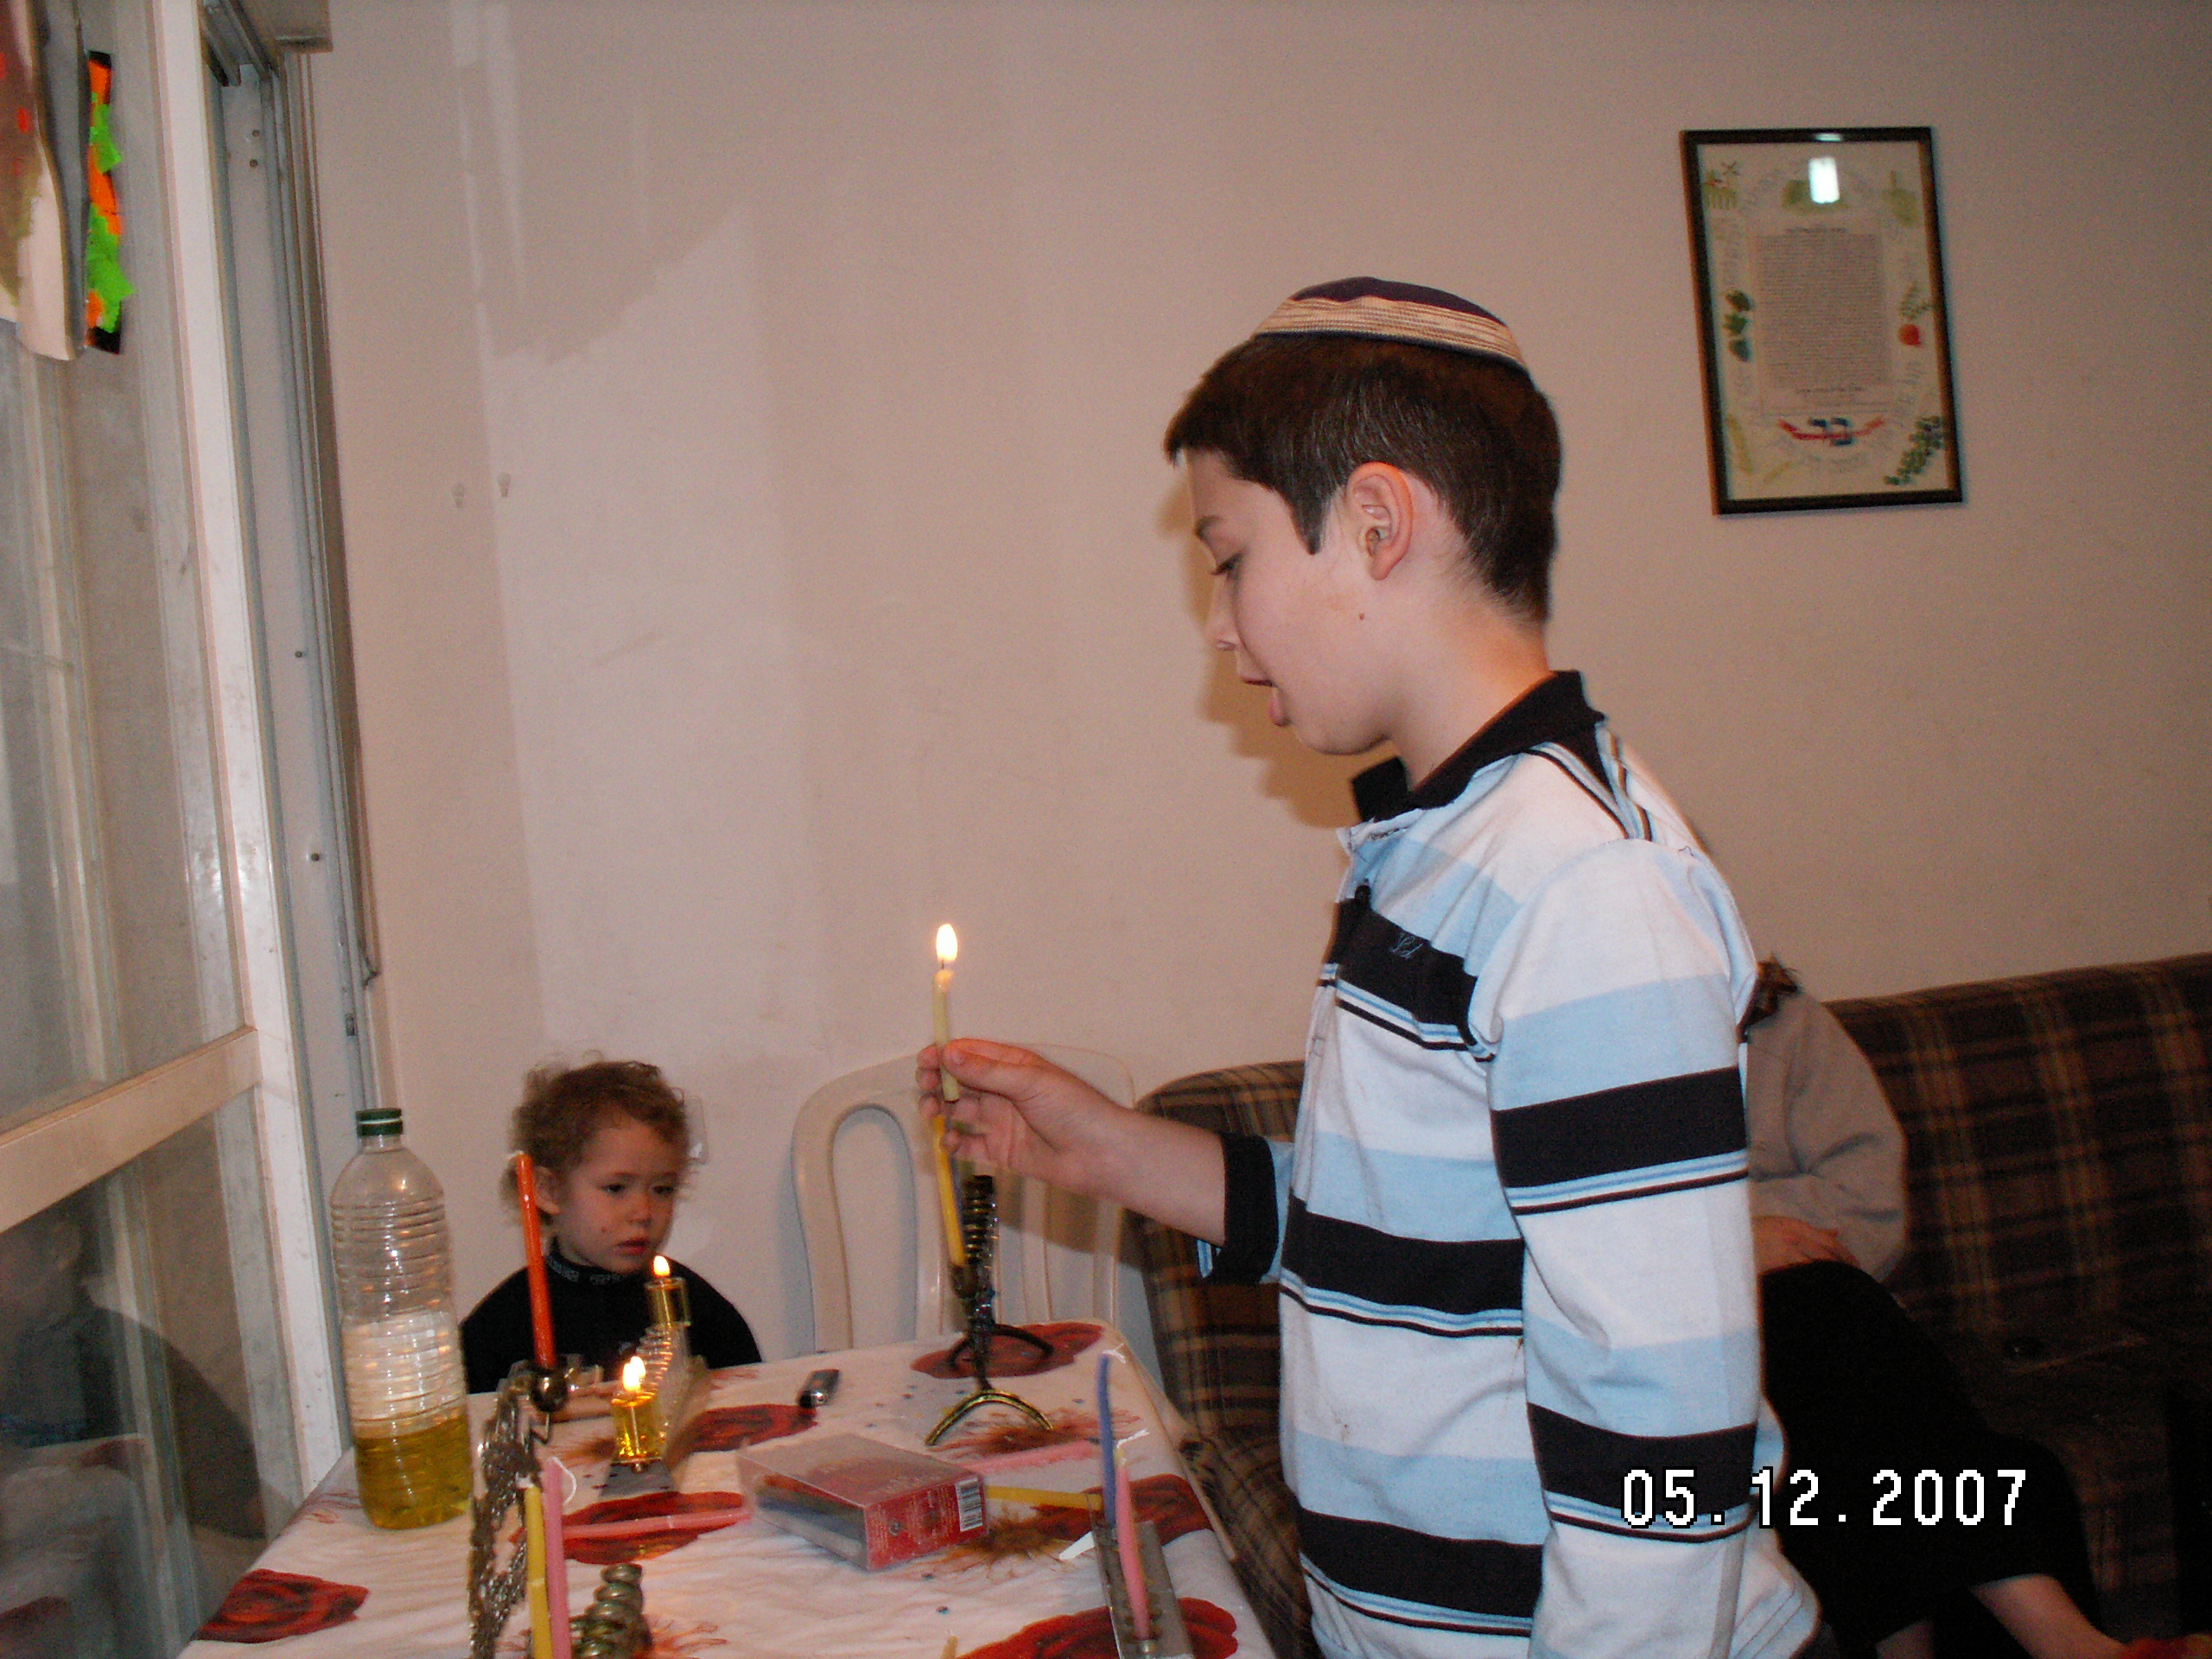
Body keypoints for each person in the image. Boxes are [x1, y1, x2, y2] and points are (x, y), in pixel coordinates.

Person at [921, 278, 1818, 1659]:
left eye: (1230, 558)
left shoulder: (1584, 886)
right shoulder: (1435, 851)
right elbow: (1410, 1233)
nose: (1220, 624)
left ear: (1379, 525)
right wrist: (1105, 1152)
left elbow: (1663, 1423)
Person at [1745, 962, 2208, 1659]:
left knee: (2002, 1471)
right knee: (1823, 1317)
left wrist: (1744, 1232)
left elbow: (1871, 1208)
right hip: (1692, 1361)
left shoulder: (1785, 1022)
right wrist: (1734, 1242)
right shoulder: (1588, 1049)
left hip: (1833, 1343)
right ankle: (2072, 1646)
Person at [461, 1058, 760, 1394]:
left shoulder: (699, 1312)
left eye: (662, 1189)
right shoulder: (500, 1327)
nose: (643, 1212)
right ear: (548, 1190)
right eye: (616, 1188)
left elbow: (754, 1403)